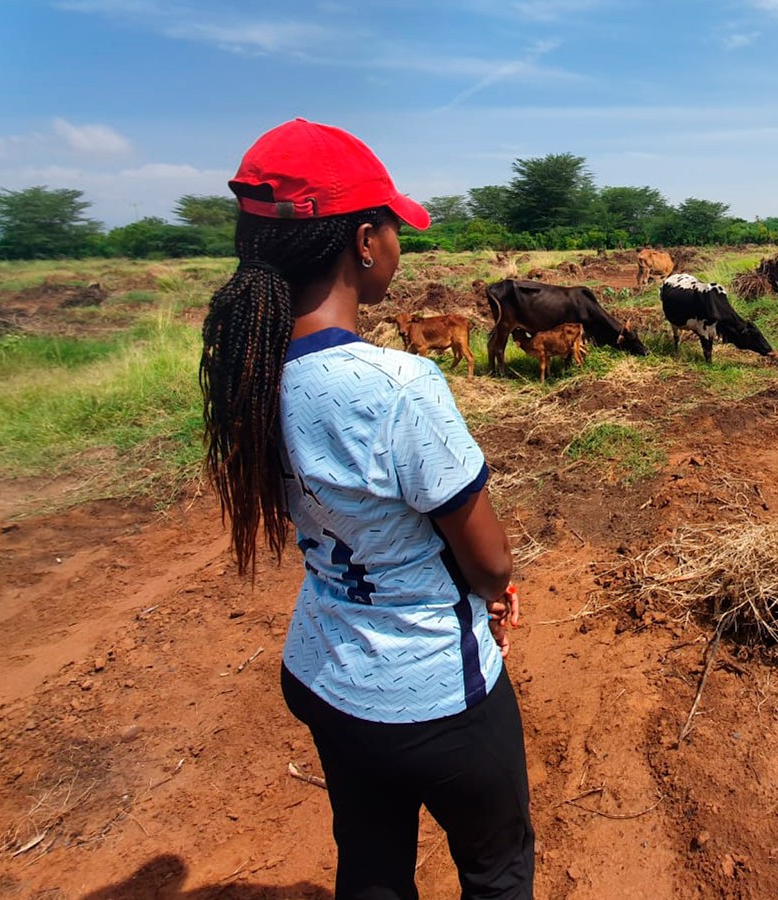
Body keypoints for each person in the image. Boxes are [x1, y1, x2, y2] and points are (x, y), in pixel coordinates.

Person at [198, 118, 534, 900]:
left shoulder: (248, 366)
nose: (398, 244)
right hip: (432, 694)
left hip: (324, 674)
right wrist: (499, 594)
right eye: (391, 226)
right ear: (362, 242)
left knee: (373, 866)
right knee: (498, 871)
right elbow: (489, 559)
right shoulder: (397, 386)